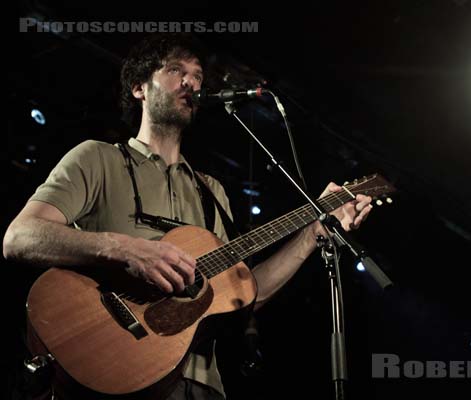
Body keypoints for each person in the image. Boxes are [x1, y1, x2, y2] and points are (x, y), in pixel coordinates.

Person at [2, 34, 372, 400]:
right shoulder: (98, 158)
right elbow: (19, 237)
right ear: (138, 88)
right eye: (176, 70)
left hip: (199, 385)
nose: (191, 82)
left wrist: (311, 235)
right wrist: (124, 249)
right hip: (115, 371)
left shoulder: (211, 192)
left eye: (197, 75)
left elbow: (244, 295)